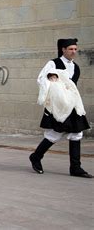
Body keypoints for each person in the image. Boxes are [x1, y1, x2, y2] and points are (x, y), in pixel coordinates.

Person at [29, 38, 91, 178]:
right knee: (55, 134)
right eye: (70, 49)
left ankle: (75, 167)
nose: (73, 52)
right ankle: (36, 157)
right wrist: (54, 83)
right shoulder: (53, 63)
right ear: (63, 49)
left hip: (73, 104)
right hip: (58, 105)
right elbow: (41, 79)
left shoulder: (76, 67)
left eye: (75, 49)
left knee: (76, 134)